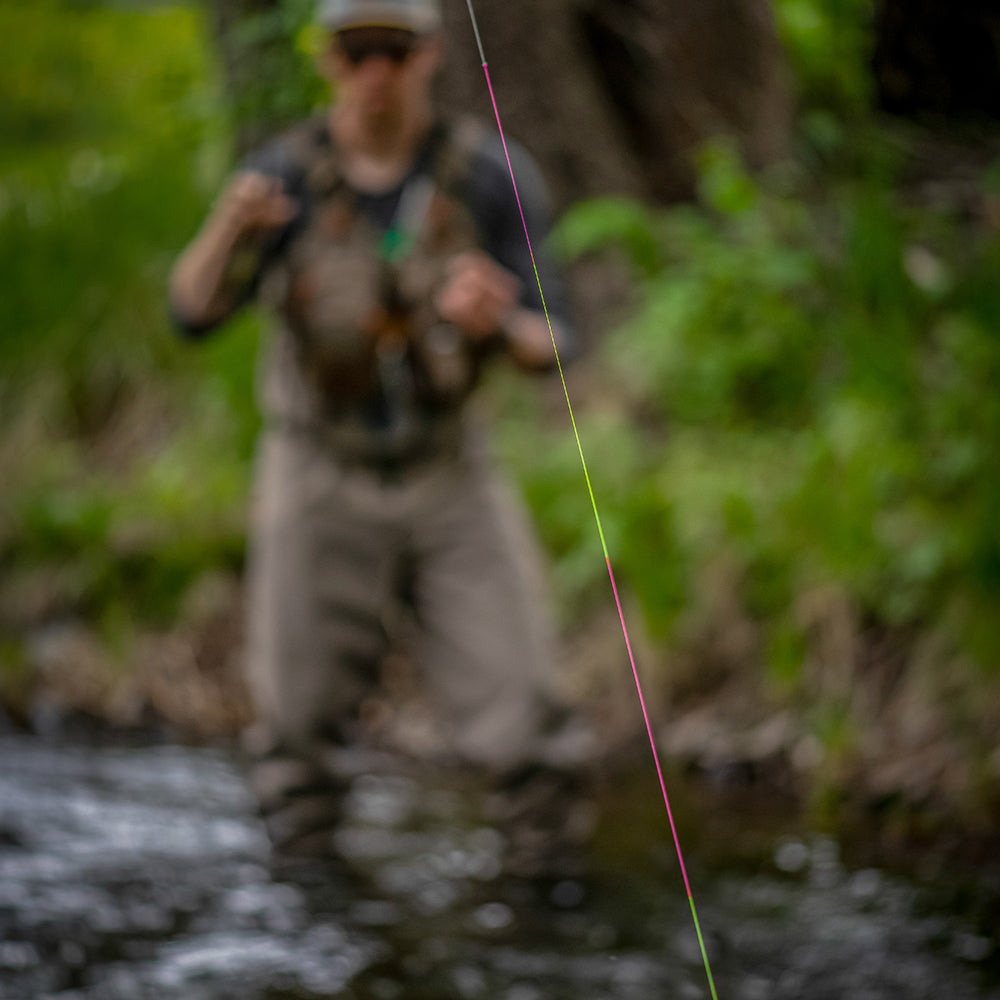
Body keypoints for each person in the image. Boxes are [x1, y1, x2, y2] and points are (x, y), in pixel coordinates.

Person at [169, 0, 591, 862]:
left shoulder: (489, 175)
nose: (375, 72)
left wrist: (499, 320)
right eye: (356, 51)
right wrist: (227, 227)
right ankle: (313, 918)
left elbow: (558, 341)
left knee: (528, 720)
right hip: (315, 473)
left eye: (393, 51)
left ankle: (550, 914)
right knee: (294, 732)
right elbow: (189, 314)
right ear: (327, 58)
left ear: (429, 55)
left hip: (450, 474)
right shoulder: (282, 176)